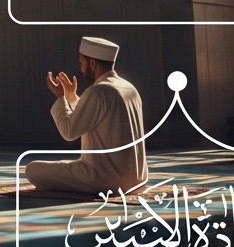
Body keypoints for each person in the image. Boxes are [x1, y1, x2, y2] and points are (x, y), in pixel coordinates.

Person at [25, 36, 147, 195]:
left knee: (32, 169)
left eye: (81, 64)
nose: (81, 70)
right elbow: (95, 115)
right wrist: (71, 96)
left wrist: (61, 97)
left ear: (93, 63)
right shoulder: (129, 88)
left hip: (106, 179)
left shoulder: (98, 91)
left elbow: (69, 132)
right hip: (137, 179)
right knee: (65, 165)